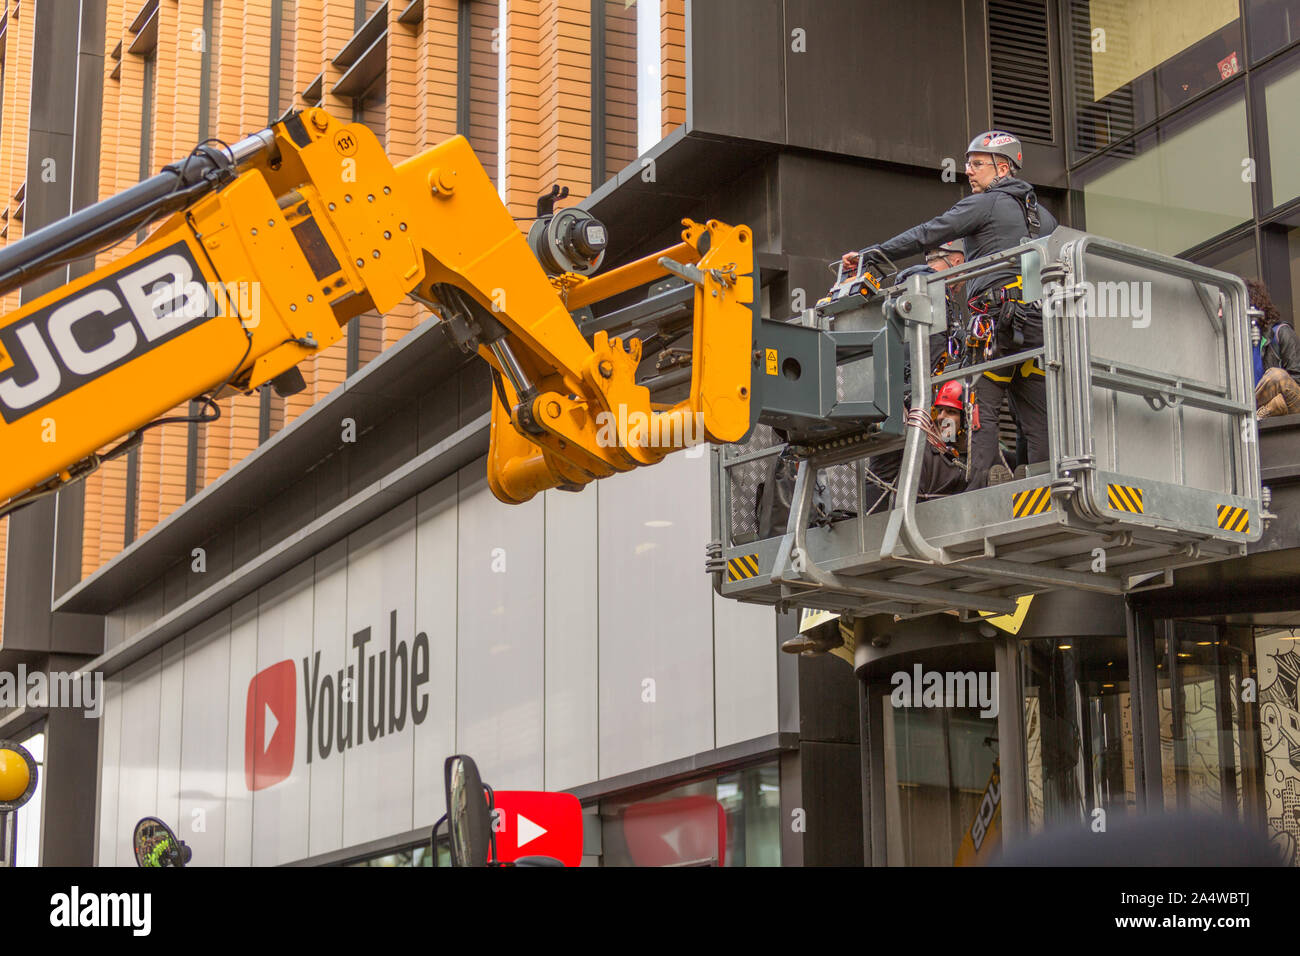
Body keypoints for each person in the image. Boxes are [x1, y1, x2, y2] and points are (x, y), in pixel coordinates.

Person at [842, 131, 1058, 489]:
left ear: (1002, 168)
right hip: (1036, 326)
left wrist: (871, 255)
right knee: (1037, 416)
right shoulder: (1045, 219)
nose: (968, 172)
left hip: (996, 325)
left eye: (976, 164)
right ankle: (1047, 485)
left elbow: (929, 233)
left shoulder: (985, 204)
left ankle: (978, 493)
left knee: (981, 410)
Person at [1251, 278, 1300, 418]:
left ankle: (1249, 410)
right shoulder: (1239, 345)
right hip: (1270, 409)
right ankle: (1260, 413)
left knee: (1277, 376)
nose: (1219, 314)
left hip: (1293, 401)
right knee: (1278, 404)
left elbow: (1297, 380)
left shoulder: (1281, 332)